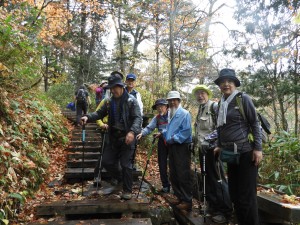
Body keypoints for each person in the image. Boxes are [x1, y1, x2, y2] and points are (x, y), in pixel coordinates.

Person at [81, 71, 142, 200]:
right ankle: (120, 179)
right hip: (113, 138)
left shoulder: (132, 101)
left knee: (126, 164)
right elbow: (98, 114)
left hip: (128, 138)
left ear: (121, 87)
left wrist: (132, 132)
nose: (112, 91)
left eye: (114, 88)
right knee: (106, 161)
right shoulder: (108, 102)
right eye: (111, 88)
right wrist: (87, 116)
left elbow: (138, 118)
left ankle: (127, 190)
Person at [213, 68, 263, 225]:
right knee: (234, 193)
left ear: (234, 83)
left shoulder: (243, 99)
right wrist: (219, 145)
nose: (226, 84)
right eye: (222, 82)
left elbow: (255, 123)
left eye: (229, 81)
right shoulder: (221, 102)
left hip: (246, 153)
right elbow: (220, 127)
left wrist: (258, 149)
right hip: (230, 154)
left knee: (246, 196)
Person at [192, 85, 232, 223]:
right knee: (207, 179)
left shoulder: (214, 107)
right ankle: (213, 206)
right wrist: (194, 141)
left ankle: (225, 211)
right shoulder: (200, 109)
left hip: (214, 150)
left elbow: (221, 127)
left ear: (207, 94)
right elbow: (200, 130)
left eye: (202, 93)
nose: (200, 96)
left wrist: (208, 140)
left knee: (218, 179)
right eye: (198, 94)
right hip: (202, 149)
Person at [162, 91, 193, 212]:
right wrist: (164, 135)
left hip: (182, 146)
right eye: (170, 100)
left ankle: (187, 200)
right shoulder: (170, 113)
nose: (172, 102)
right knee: (174, 172)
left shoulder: (184, 114)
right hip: (172, 146)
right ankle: (179, 197)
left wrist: (172, 139)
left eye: (174, 100)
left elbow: (186, 132)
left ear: (179, 101)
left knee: (183, 173)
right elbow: (169, 129)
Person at [136, 98, 170, 193]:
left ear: (167, 107)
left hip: (173, 142)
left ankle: (175, 186)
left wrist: (162, 133)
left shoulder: (172, 116)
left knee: (174, 165)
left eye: (162, 106)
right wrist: (142, 133)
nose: (160, 109)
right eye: (158, 107)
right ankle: (166, 186)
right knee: (162, 164)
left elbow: (172, 128)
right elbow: (149, 127)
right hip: (162, 142)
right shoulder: (157, 118)